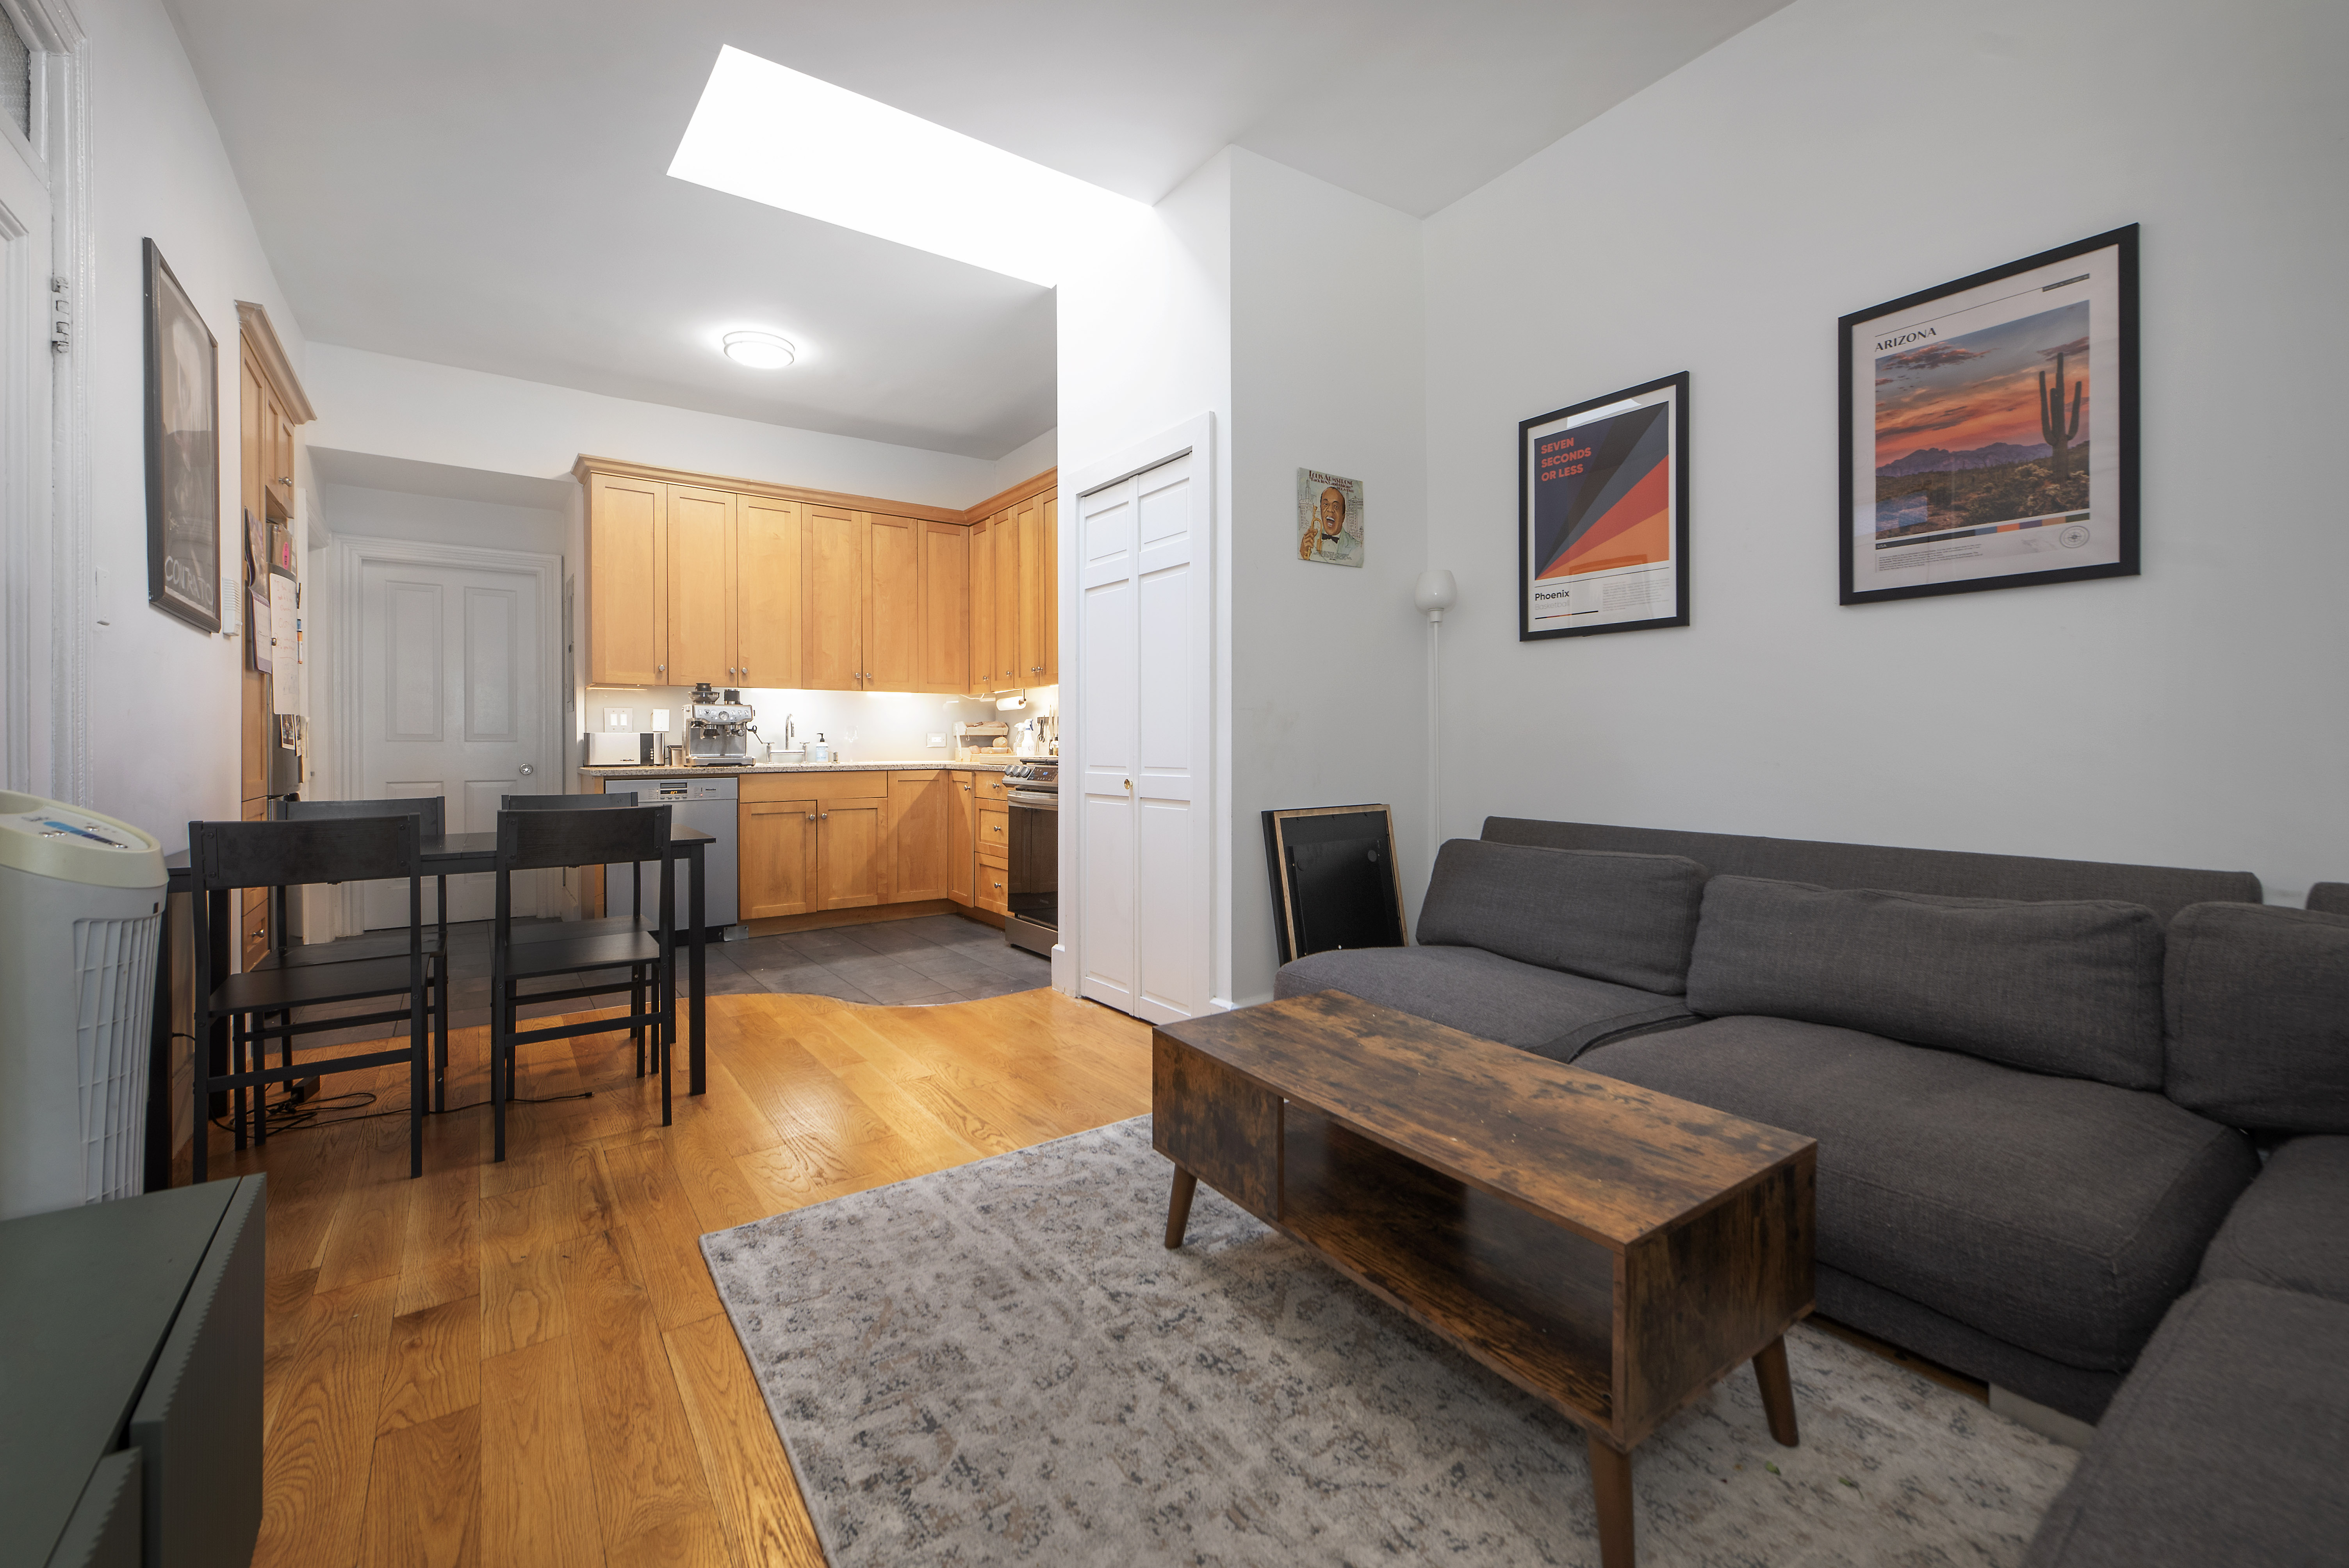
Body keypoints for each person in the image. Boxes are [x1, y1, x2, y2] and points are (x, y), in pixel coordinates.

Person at [1301, 485, 1347, 560]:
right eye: (1326, 504)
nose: (1330, 510)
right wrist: (1302, 555)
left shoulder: (1356, 547)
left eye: (1336, 507)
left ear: (1343, 517)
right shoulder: (1311, 541)